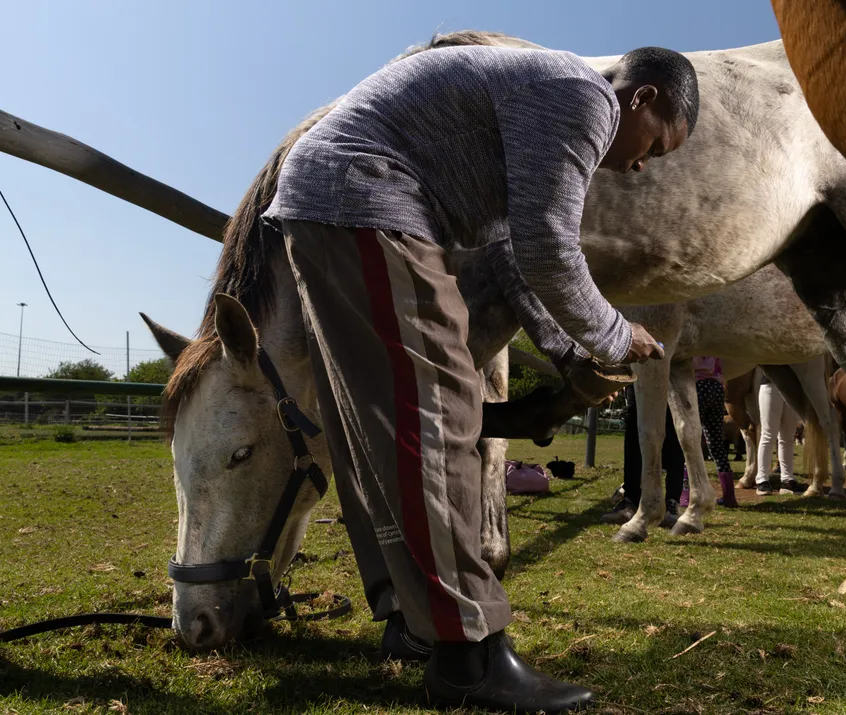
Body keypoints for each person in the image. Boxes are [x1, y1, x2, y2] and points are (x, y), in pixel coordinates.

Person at [264, 41, 699, 714]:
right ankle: (469, 653)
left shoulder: (539, 104)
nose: (640, 165)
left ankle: (411, 618)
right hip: (367, 196)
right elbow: (550, 248)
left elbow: (512, 250)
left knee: (375, 419)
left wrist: (569, 356)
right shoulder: (582, 98)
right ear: (641, 98)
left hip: (330, 199)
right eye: (655, 145)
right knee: (435, 413)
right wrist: (616, 334)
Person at [601, 384, 685, 526]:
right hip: (637, 374)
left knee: (672, 426)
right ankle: (631, 501)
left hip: (671, 375)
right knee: (633, 421)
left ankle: (671, 502)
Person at [692, 356, 738, 508]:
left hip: (698, 385)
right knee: (716, 443)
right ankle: (729, 495)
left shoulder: (694, 342)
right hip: (716, 387)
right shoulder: (713, 347)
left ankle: (688, 494)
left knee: (690, 441)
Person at [754, 372, 807, 496]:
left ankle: (787, 480)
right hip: (770, 384)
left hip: (792, 387)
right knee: (768, 435)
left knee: (788, 437)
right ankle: (762, 480)